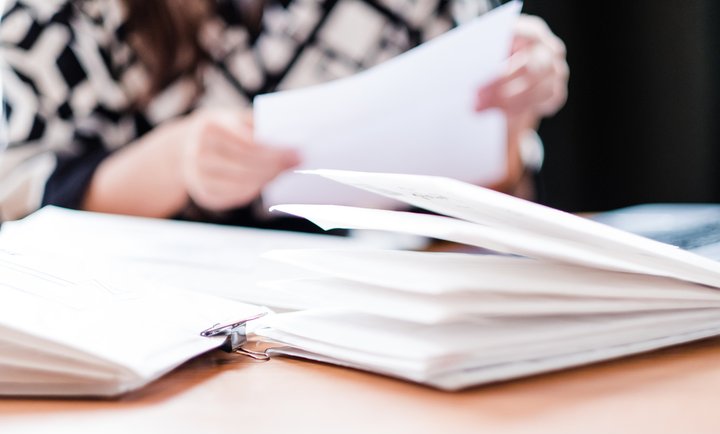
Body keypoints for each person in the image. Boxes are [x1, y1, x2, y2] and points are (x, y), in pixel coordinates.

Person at [0, 0, 568, 227]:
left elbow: (489, 215)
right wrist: (173, 161)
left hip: (373, 325)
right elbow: (15, 202)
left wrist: (508, 118)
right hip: (137, 331)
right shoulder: (53, 16)